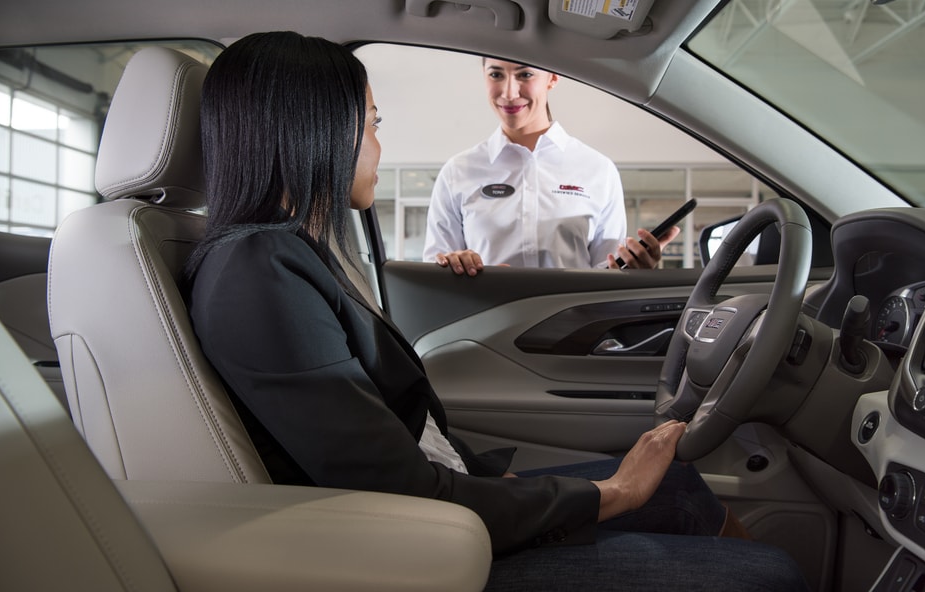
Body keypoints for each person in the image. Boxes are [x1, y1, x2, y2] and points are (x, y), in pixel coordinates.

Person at [186, 31, 808, 591]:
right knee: (770, 576)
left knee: (679, 485)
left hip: (436, 509)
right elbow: (396, 490)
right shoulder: (259, 273)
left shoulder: (288, 256)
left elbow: (395, 439)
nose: (378, 143)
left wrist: (498, 481)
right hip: (419, 548)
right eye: (371, 123)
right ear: (316, 129)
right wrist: (615, 493)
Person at [422, 57, 679, 276]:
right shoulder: (458, 171)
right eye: (496, 75)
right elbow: (435, 273)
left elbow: (607, 274)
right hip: (487, 318)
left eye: (525, 74)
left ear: (552, 78)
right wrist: (455, 267)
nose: (509, 93)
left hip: (572, 320)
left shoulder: (598, 169)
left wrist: (633, 269)